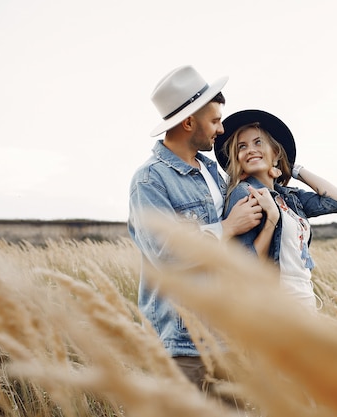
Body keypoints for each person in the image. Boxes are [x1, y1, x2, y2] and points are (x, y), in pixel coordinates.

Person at [127, 66, 264, 398]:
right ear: (189, 122)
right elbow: (165, 253)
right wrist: (228, 227)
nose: (221, 128)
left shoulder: (213, 172)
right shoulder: (150, 180)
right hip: (185, 343)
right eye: (215, 120)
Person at [214, 110, 337, 310]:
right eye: (242, 147)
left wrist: (293, 168)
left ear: (275, 153)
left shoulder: (289, 197)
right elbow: (245, 263)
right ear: (238, 158)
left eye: (258, 142)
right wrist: (272, 220)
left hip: (304, 301)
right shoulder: (245, 194)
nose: (250, 150)